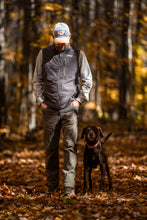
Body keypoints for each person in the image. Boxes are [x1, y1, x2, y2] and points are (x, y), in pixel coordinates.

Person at [32, 22, 92, 197]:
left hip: (69, 108)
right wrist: (40, 100)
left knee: (70, 147)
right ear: (53, 37)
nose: (61, 44)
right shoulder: (43, 54)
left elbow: (87, 80)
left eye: (64, 40)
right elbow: (36, 80)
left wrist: (79, 100)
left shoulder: (78, 54)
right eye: (58, 40)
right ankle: (52, 187)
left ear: (70, 36)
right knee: (50, 149)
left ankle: (69, 187)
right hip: (49, 109)